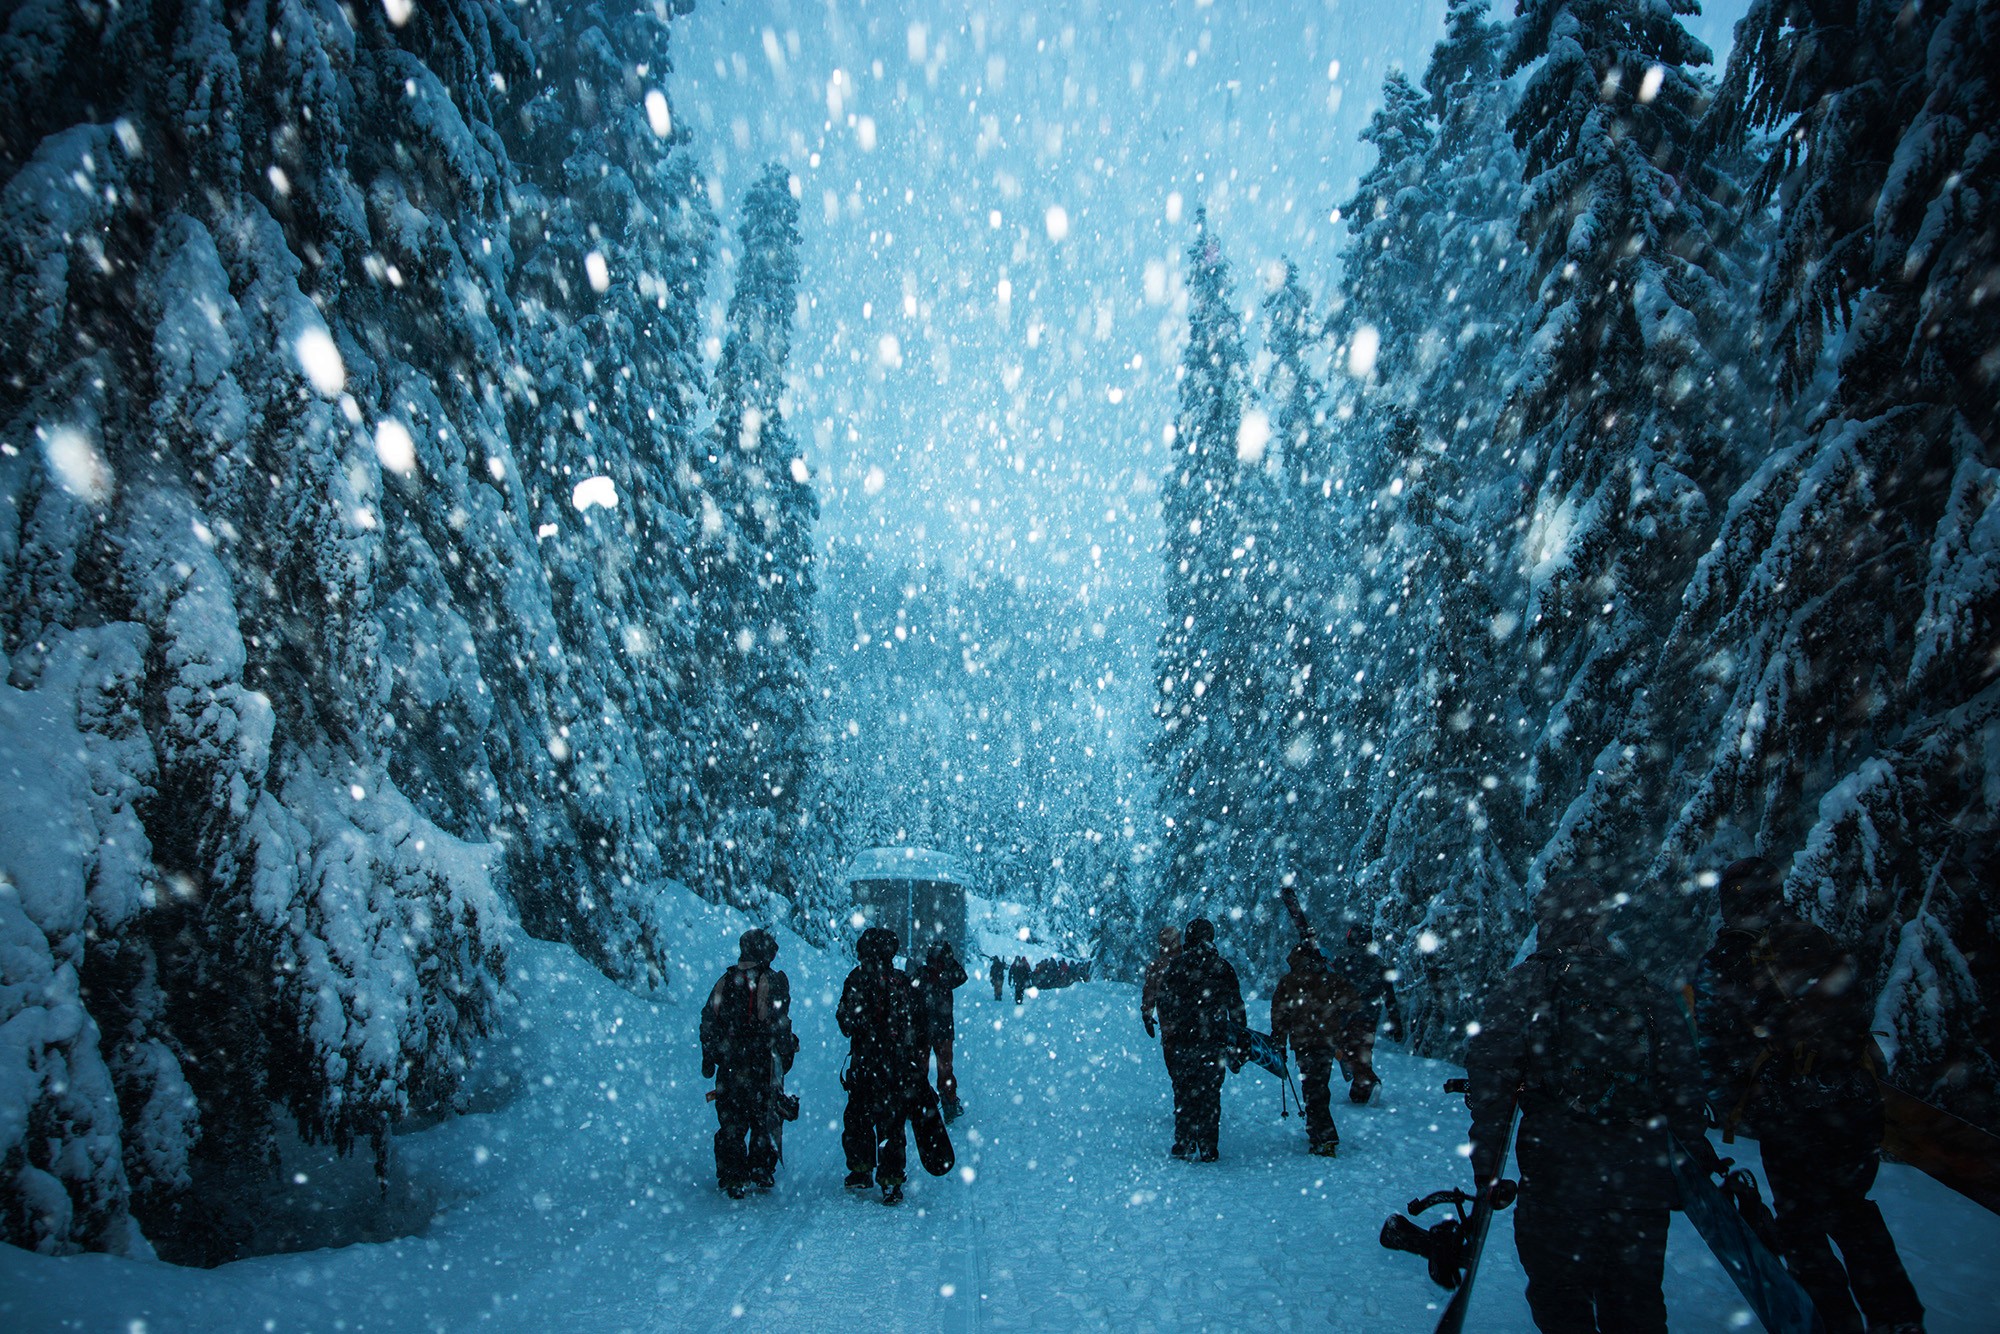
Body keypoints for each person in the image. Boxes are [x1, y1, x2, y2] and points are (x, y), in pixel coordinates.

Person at [1464, 875, 1722, 1334]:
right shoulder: (1638, 986)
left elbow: (1491, 1084)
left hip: (1558, 1171)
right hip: (1637, 1173)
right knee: (1635, 1297)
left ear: (1546, 919)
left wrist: (1487, 1169)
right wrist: (1688, 1157)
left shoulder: (1528, 984)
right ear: (1601, 919)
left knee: (1560, 1294)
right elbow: (1682, 1079)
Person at [1694, 857, 1925, 1334]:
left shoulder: (1729, 959)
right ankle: (1897, 1319)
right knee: (1852, 1212)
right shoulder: (1812, 942)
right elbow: (1854, 1010)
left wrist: (1724, 1103)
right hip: (1853, 1104)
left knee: (1802, 1225)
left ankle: (1831, 1322)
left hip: (1792, 1113)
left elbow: (1715, 1043)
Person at [699, 927, 798, 1198]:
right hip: (762, 1062)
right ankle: (760, 1168)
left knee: (731, 1119)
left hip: (730, 1063)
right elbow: (781, 1023)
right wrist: (786, 1053)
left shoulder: (725, 980)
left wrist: (709, 1059)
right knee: (764, 1115)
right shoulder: (773, 981)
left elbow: (709, 1022)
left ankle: (733, 1174)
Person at [837, 926, 924, 1205]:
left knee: (859, 1117)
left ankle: (862, 1170)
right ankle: (890, 1180)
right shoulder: (900, 981)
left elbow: (845, 1023)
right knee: (891, 1122)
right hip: (893, 1065)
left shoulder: (856, 979)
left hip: (864, 1061)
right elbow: (914, 1025)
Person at [1156, 916, 1246, 1161]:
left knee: (1184, 1092)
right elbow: (1236, 1007)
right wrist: (1239, 1039)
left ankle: (1185, 1141)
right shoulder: (1222, 967)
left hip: (1185, 1040)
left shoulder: (1178, 967)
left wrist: (1173, 1027)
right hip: (1213, 1040)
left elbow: (1164, 1002)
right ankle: (1208, 1144)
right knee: (1210, 1093)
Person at [1271, 942, 1349, 1155]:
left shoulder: (1290, 982)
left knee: (1312, 1088)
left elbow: (1280, 1014)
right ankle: (1319, 1131)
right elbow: (1346, 1005)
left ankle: (1323, 1135)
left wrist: (1279, 1040)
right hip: (1326, 1042)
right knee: (1319, 1085)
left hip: (1305, 1043)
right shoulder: (1329, 979)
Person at [1329, 923, 1405, 1102]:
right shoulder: (1378, 963)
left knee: (1346, 1050)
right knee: (1363, 1051)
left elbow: (1331, 987)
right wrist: (1395, 1020)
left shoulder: (1342, 959)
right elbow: (1389, 993)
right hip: (1369, 1016)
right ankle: (1360, 1091)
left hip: (1346, 1015)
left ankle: (1368, 1081)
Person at [916, 940, 968, 1120]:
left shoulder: (925, 974)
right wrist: (949, 959)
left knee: (925, 1067)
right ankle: (946, 1102)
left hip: (927, 1028)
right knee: (943, 1068)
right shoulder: (943, 975)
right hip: (939, 1028)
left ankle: (925, 1102)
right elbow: (961, 976)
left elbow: (961, 976)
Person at [1139, 925, 1182, 1050]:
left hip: (1169, 1027)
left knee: (1174, 1064)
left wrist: (1147, 1014)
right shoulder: (1189, 961)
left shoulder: (1156, 967)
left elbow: (1149, 994)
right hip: (1192, 1026)